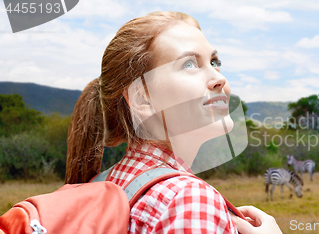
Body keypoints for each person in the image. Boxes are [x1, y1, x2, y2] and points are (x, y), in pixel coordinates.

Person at [65, 11, 282, 234]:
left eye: (215, 62)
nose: (219, 78)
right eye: (189, 64)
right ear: (142, 98)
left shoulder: (101, 183)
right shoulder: (190, 199)